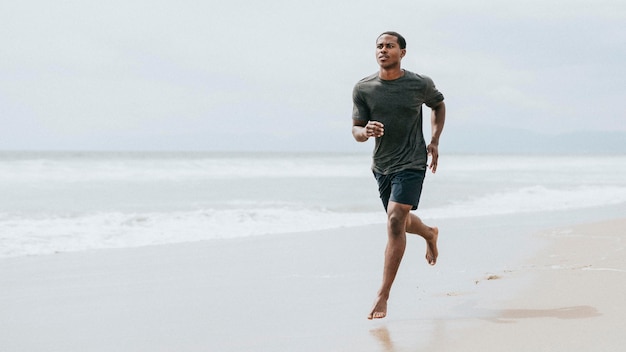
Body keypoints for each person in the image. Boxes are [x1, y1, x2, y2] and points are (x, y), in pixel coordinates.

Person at [351, 31, 446, 320]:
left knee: (394, 220)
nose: (383, 50)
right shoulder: (364, 88)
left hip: (412, 162)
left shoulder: (419, 84)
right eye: (379, 46)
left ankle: (383, 295)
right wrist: (365, 132)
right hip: (381, 165)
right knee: (399, 223)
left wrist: (435, 139)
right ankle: (429, 233)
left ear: (402, 52)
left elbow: (438, 104)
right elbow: (356, 131)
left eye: (390, 46)